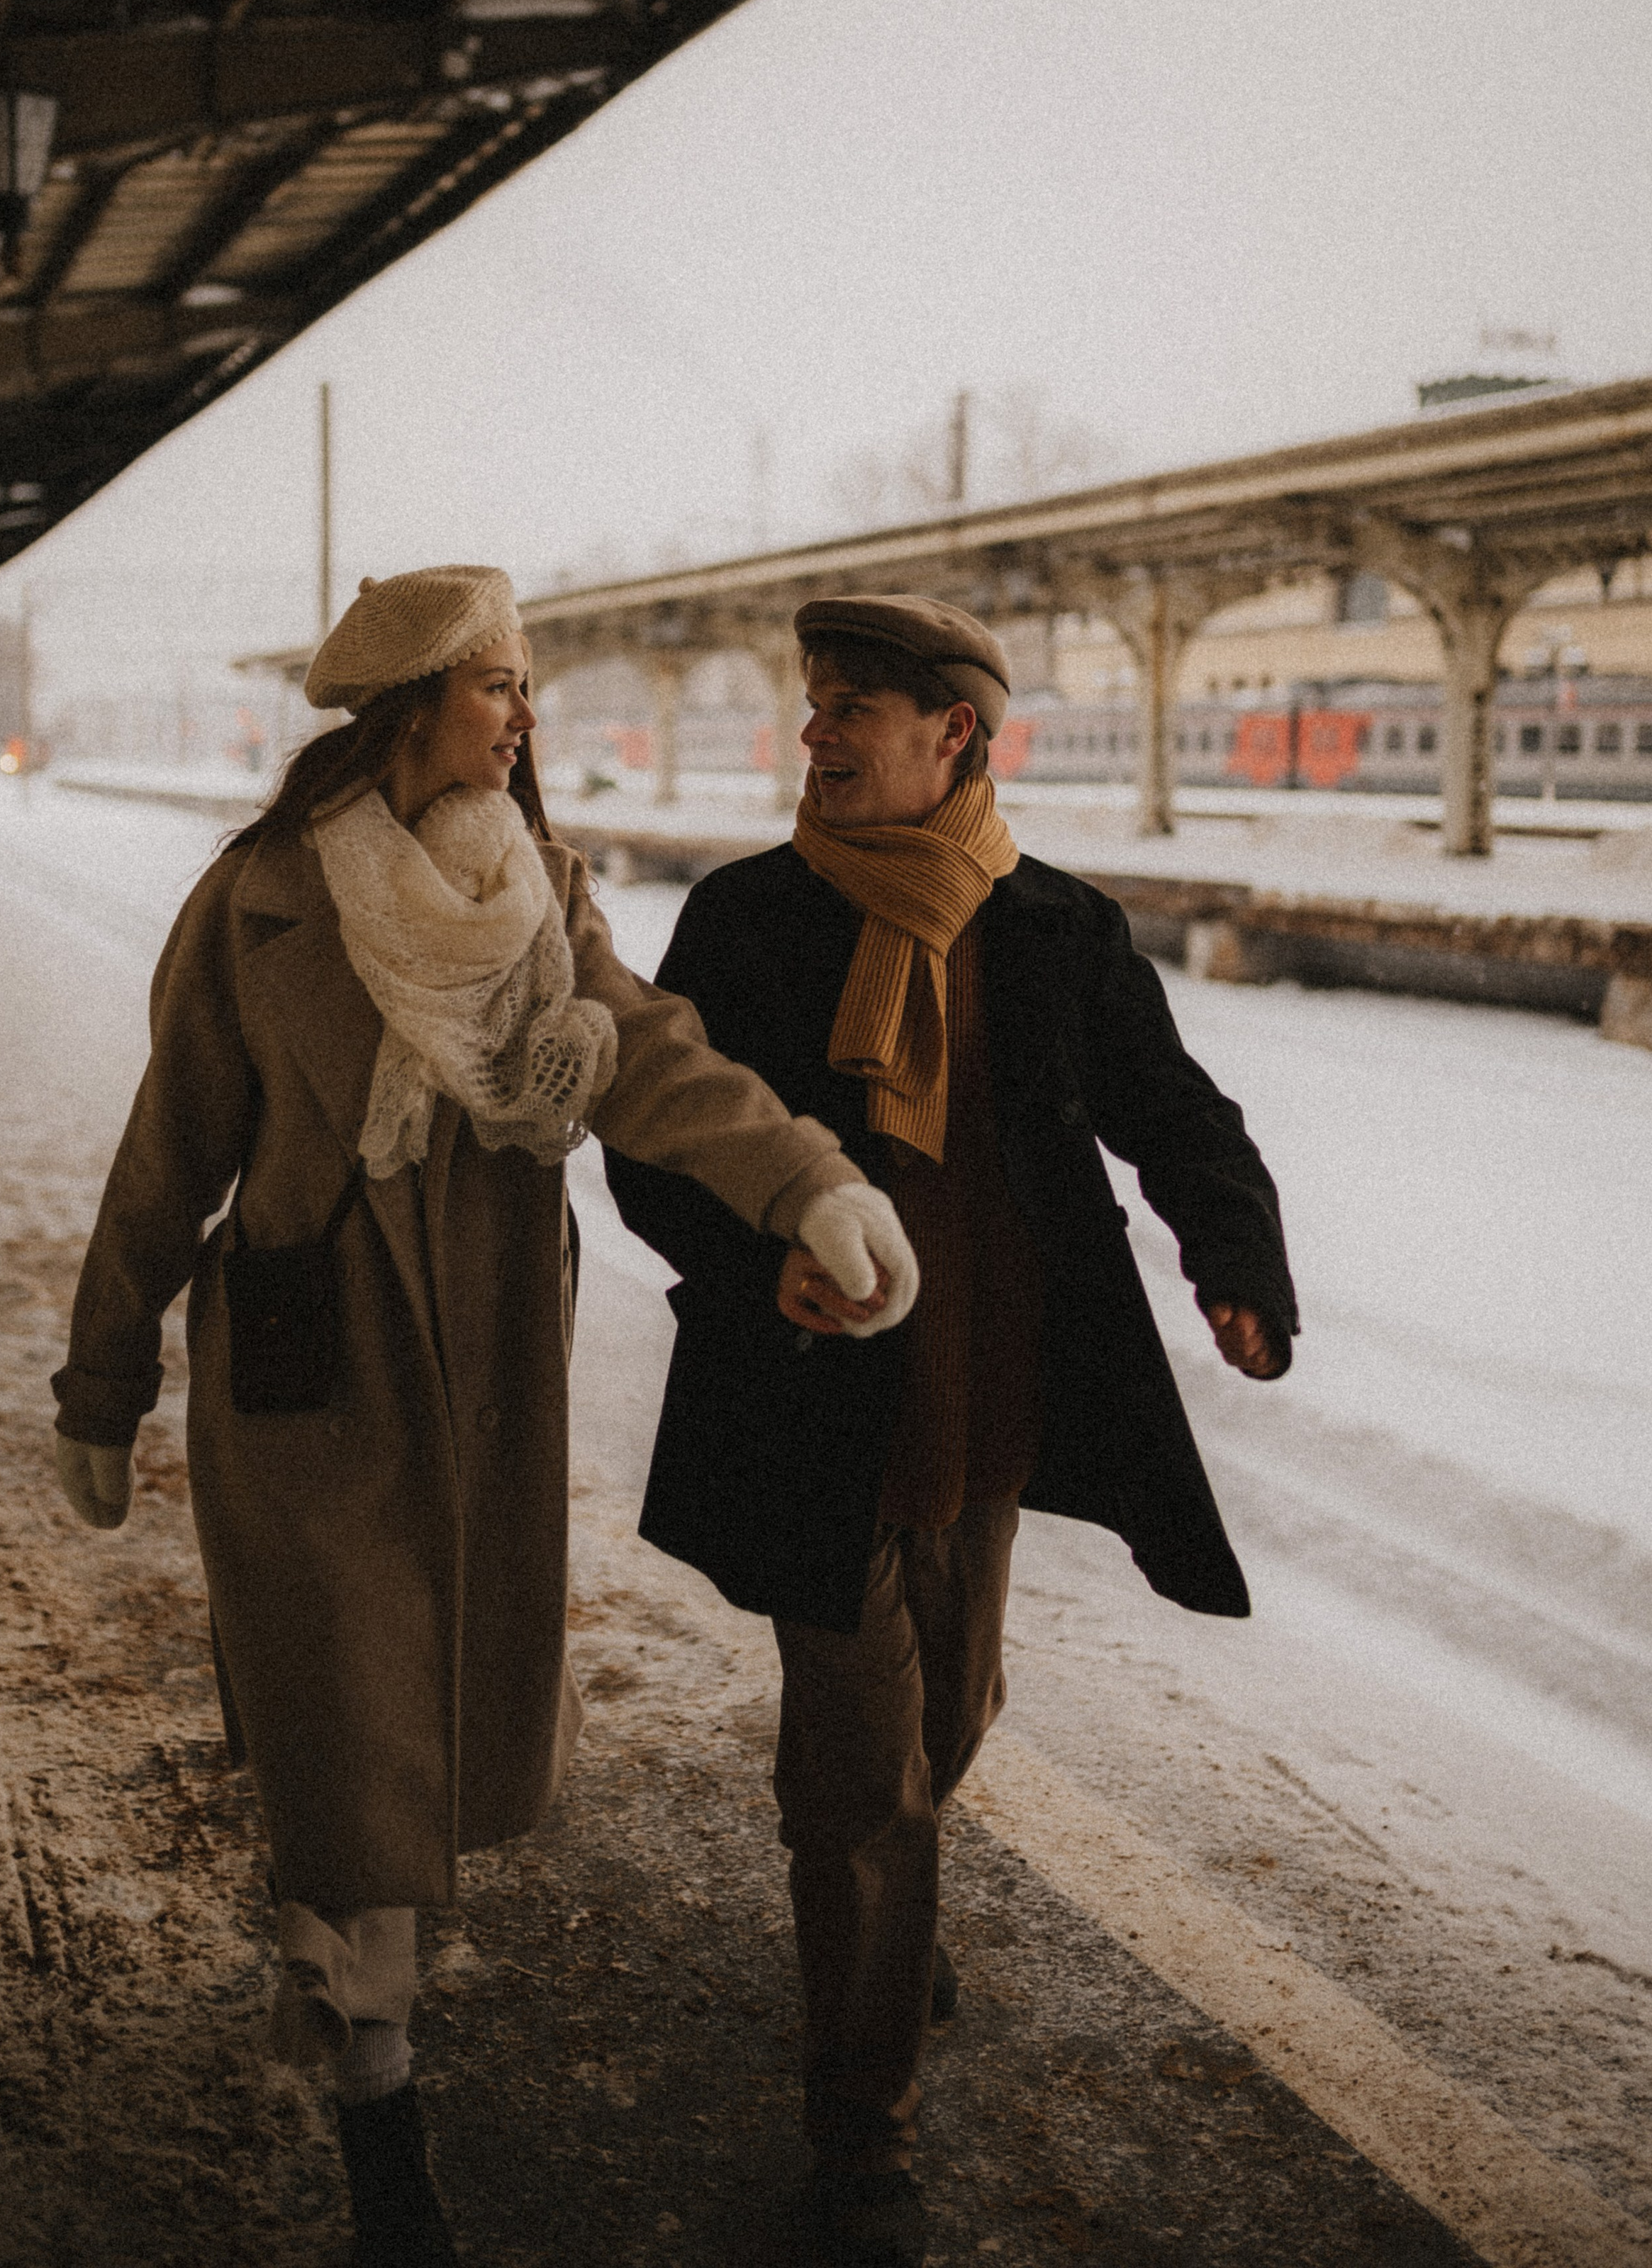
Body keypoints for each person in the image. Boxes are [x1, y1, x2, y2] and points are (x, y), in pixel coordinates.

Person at [49, 564, 917, 2266]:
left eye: (523, 689)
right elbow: (170, 1155)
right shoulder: (264, 901)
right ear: (413, 704)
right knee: (354, 1719)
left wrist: (799, 1184)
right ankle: (380, 2099)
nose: (524, 718)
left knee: (436, 1715)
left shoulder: (539, 897)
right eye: (498, 686)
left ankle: (368, 2027)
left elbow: (650, 1054)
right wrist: (104, 1373)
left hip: (491, 1362)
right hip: (313, 1363)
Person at [605, 592, 1297, 2268]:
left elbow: (1172, 1112)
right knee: (857, 1785)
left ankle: (883, 1945)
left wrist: (1237, 1258)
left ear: (955, 739)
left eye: (854, 708)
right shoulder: (751, 917)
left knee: (954, 1715)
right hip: (811, 1413)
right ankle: (863, 2137)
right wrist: (758, 1260)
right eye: (814, 704)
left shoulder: (1052, 930)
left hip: (991, 1408)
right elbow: (652, 1138)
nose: (817, 734)